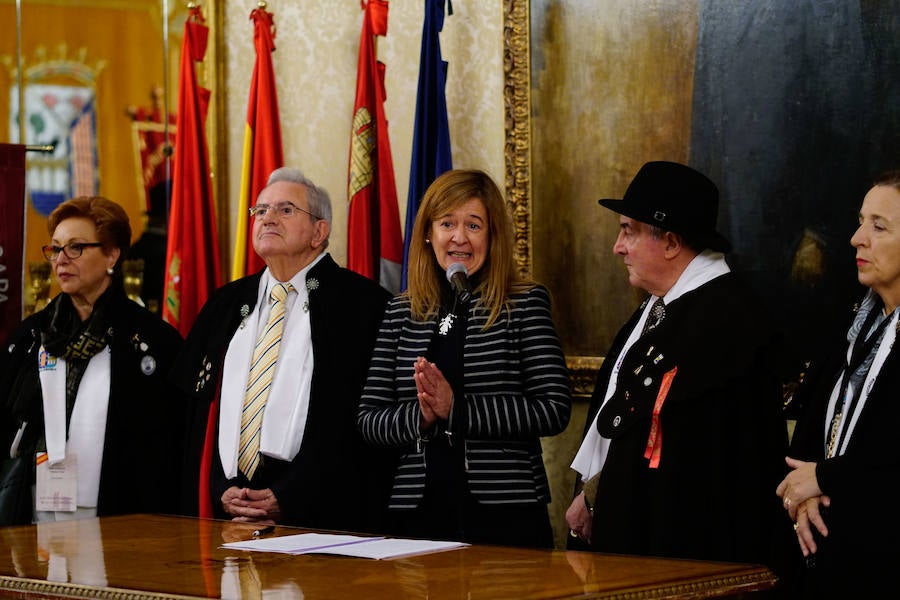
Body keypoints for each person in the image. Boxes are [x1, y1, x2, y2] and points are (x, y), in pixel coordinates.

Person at [566, 161, 787, 566]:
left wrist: (598, 499)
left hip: (684, 556)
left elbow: (697, 460)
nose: (618, 246)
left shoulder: (728, 322)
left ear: (670, 243)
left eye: (628, 230)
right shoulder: (660, 307)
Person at [357, 169, 572, 548]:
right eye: (446, 224)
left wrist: (457, 409)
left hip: (506, 511)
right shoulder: (400, 311)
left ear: (492, 235)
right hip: (417, 510)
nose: (459, 237)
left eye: (473, 225)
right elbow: (369, 419)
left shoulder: (523, 303)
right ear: (428, 233)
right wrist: (422, 414)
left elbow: (553, 408)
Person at [172, 167, 393, 533]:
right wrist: (218, 488)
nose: (268, 218)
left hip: (324, 522)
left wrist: (290, 493)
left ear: (320, 232)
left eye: (286, 210)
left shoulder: (365, 306)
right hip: (226, 518)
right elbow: (193, 417)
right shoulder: (225, 304)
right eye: (260, 211)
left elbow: (364, 426)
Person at [0, 196, 185, 524]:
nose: (61, 260)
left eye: (76, 247)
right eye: (55, 249)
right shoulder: (31, 337)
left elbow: (169, 449)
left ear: (112, 254)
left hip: (123, 522)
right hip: (32, 517)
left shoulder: (152, 343)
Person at [775, 170, 900, 598]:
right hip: (827, 550)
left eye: (878, 226)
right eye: (861, 221)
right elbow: (812, 420)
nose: (856, 238)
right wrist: (802, 493)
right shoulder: (852, 318)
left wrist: (825, 478)